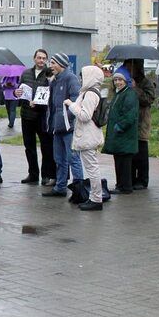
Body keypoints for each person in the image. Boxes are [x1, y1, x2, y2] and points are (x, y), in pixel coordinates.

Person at [42, 54, 81, 198]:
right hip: (56, 127)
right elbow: (51, 105)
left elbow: (76, 101)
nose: (50, 66)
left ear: (61, 64)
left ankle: (79, 189)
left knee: (73, 159)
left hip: (68, 128)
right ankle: (60, 187)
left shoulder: (71, 78)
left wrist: (67, 120)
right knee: (59, 159)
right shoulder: (54, 81)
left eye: (53, 63)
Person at [67, 65, 106, 210]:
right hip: (87, 135)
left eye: (83, 76)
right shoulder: (87, 92)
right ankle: (94, 197)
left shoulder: (90, 94)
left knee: (92, 168)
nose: (81, 79)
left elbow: (85, 115)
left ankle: (96, 199)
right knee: (91, 167)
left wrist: (71, 105)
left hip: (88, 136)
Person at [102, 66, 139, 196]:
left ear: (126, 80)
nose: (117, 82)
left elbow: (130, 114)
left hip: (125, 135)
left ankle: (126, 186)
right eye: (115, 80)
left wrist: (120, 126)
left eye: (120, 80)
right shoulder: (119, 93)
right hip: (118, 136)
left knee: (124, 163)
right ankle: (120, 185)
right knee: (118, 161)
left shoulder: (129, 94)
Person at [19, 49, 54, 185]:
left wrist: (39, 103)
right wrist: (18, 93)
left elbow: (51, 94)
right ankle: (33, 174)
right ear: (34, 59)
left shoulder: (49, 74)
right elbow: (21, 90)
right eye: (39, 58)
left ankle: (46, 175)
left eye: (44, 58)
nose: (41, 60)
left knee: (46, 147)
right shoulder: (26, 73)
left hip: (42, 116)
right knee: (29, 146)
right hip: (26, 115)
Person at [125, 59, 156, 190]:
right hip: (129, 120)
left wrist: (135, 88)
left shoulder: (146, 82)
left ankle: (142, 180)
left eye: (130, 66)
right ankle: (130, 178)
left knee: (141, 152)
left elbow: (148, 100)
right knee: (130, 153)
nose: (128, 69)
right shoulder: (125, 79)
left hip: (141, 120)